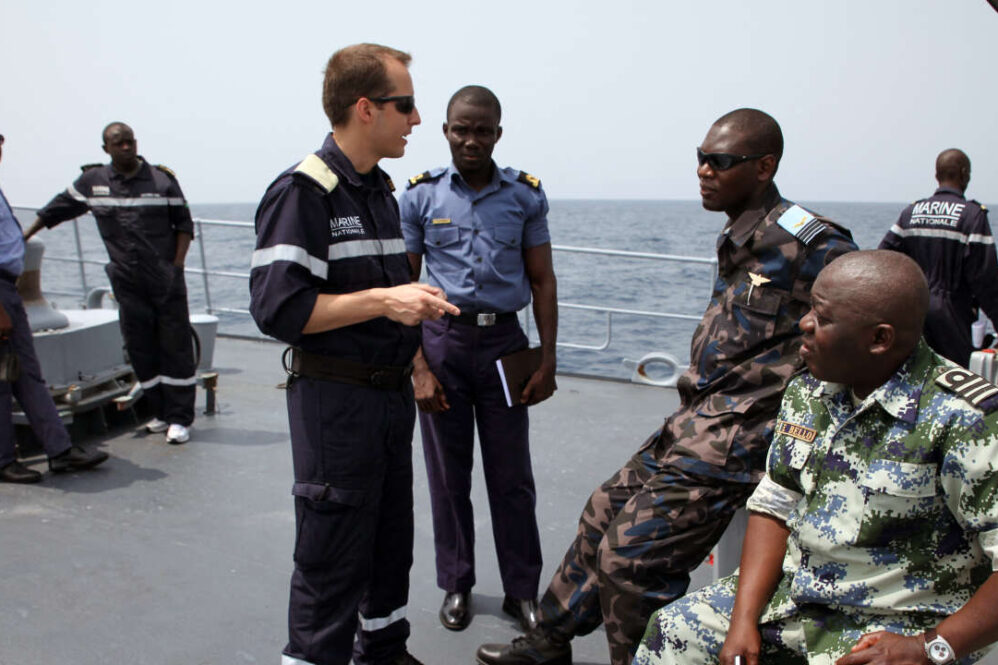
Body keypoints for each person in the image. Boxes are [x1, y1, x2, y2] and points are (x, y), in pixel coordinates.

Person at [476, 108, 857, 665]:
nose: (703, 170)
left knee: (631, 559)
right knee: (600, 513)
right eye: (700, 158)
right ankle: (548, 643)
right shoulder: (738, 231)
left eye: (719, 161)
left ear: (763, 166)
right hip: (697, 417)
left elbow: (864, 314)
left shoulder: (811, 243)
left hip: (741, 435)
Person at [635, 249, 998, 665]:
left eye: (823, 319)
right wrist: (742, 620)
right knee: (672, 631)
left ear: (879, 339)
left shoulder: (967, 420)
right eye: (810, 309)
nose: (803, 324)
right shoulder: (810, 392)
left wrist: (929, 648)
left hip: (901, 624)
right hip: (798, 597)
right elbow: (776, 504)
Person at [249, 43, 459, 665]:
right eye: (407, 105)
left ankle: (384, 652)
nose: (417, 120)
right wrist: (383, 302)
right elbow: (277, 311)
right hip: (336, 405)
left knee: (389, 543)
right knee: (332, 553)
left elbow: (382, 293)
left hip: (388, 399)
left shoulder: (379, 191)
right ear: (365, 109)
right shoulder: (303, 194)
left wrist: (410, 329)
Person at [399, 85, 557, 633]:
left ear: (498, 133)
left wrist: (548, 360)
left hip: (504, 347)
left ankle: (522, 591)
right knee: (448, 477)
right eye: (461, 129)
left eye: (482, 129)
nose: (471, 139)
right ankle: (457, 584)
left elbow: (542, 279)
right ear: (445, 130)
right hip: (442, 343)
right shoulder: (419, 197)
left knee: (513, 478)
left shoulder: (525, 197)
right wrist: (417, 367)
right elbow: (403, 287)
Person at [24, 122, 198, 445]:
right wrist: (22, 237)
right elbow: (56, 209)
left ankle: (180, 418)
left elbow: (184, 226)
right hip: (127, 281)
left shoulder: (162, 180)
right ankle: (159, 412)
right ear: (106, 149)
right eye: (119, 144)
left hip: (165, 280)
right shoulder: (94, 182)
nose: (126, 148)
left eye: (130, 141)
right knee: (140, 347)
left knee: (175, 348)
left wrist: (176, 267)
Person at [0, 133, 108, 483]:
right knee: (6, 378)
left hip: (8, 291)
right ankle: (8, 459)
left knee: (21, 374)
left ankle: (57, 450)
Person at [878, 149, 998, 368]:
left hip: (913, 313)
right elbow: (985, 279)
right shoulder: (972, 216)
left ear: (937, 175)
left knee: (916, 374)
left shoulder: (911, 212)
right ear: (964, 174)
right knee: (955, 379)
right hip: (954, 315)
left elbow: (882, 261)